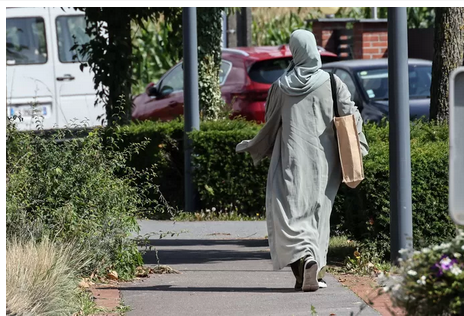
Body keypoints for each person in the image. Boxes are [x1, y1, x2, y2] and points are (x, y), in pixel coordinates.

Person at [236, 30, 368, 292]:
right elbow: (351, 116)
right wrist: (359, 146)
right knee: (318, 214)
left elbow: (270, 122)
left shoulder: (281, 86)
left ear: (295, 52)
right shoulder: (332, 82)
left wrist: (256, 145)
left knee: (291, 215)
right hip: (326, 163)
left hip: (291, 161)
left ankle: (303, 265)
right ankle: (314, 267)